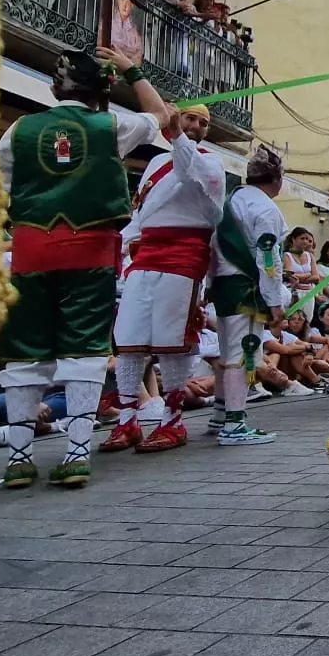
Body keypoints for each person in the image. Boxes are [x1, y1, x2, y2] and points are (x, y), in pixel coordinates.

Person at [0, 46, 168, 489]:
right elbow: (161, 114)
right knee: (84, 348)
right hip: (89, 251)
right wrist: (133, 69)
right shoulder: (111, 125)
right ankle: (75, 453)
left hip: (31, 251)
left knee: (25, 349)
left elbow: (0, 190)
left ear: (55, 88)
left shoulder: (20, 128)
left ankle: (18, 459)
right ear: (102, 89)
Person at [103, 102, 225, 455]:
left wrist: (175, 133)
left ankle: (172, 421)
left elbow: (191, 174)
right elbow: (140, 214)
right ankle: (128, 420)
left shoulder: (208, 161)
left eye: (203, 123)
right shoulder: (156, 163)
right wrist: (116, 251)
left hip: (184, 257)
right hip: (145, 256)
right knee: (128, 339)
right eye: (190, 118)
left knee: (172, 340)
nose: (196, 126)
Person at [203, 145, 291, 444]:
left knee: (228, 352)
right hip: (246, 288)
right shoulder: (265, 209)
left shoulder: (231, 200)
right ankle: (234, 424)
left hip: (222, 285)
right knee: (243, 354)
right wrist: (275, 303)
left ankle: (220, 414)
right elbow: (269, 261)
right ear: (277, 179)